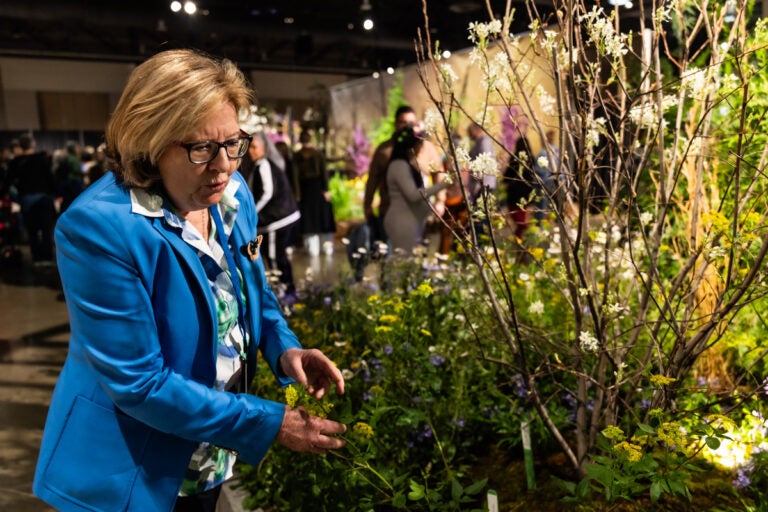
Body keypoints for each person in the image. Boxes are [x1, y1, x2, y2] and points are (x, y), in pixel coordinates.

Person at [33, 49, 346, 512]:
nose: (223, 165)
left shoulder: (229, 195)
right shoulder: (100, 229)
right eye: (201, 148)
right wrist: (271, 422)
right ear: (149, 141)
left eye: (234, 142)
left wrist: (285, 350)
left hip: (207, 453)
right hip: (133, 469)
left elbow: (251, 296)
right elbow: (141, 384)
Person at [241, 128, 301, 303]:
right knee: (275, 255)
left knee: (275, 256)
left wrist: (252, 211)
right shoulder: (260, 165)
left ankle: (284, 292)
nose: (251, 151)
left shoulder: (264, 165)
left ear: (264, 148)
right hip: (279, 218)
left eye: (255, 147)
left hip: (277, 219)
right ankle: (286, 290)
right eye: (249, 147)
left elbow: (267, 192)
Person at [383, 125, 449, 253]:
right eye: (419, 146)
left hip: (410, 223)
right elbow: (413, 195)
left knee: (412, 263)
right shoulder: (399, 165)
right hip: (402, 224)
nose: (420, 150)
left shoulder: (406, 164)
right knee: (405, 263)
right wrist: (442, 185)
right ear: (410, 147)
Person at [362, 105, 417, 242]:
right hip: (389, 211)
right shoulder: (384, 150)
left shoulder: (422, 147)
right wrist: (367, 204)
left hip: (415, 213)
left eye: (411, 123)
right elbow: (373, 179)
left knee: (414, 256)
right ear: (396, 124)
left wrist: (440, 201)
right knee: (389, 255)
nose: (407, 127)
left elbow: (438, 171)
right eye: (403, 122)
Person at [5, 133, 57, 266]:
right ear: (33, 145)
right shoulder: (42, 159)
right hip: (44, 198)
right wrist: (55, 194)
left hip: (27, 200)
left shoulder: (15, 162)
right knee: (46, 230)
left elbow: (8, 182)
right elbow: (50, 178)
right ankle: (47, 258)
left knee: (32, 231)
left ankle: (37, 258)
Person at [292, 129, 335, 256]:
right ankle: (326, 248)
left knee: (309, 221)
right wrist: (326, 190)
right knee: (323, 219)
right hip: (318, 190)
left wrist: (297, 194)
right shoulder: (318, 154)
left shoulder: (297, 156)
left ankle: (312, 250)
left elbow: (295, 177)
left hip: (305, 192)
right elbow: (324, 174)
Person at [504, 135, 536, 239]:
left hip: (514, 195)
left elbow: (507, 176)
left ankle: (520, 243)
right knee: (522, 222)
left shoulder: (514, 158)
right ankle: (521, 242)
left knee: (521, 223)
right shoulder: (532, 158)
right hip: (526, 195)